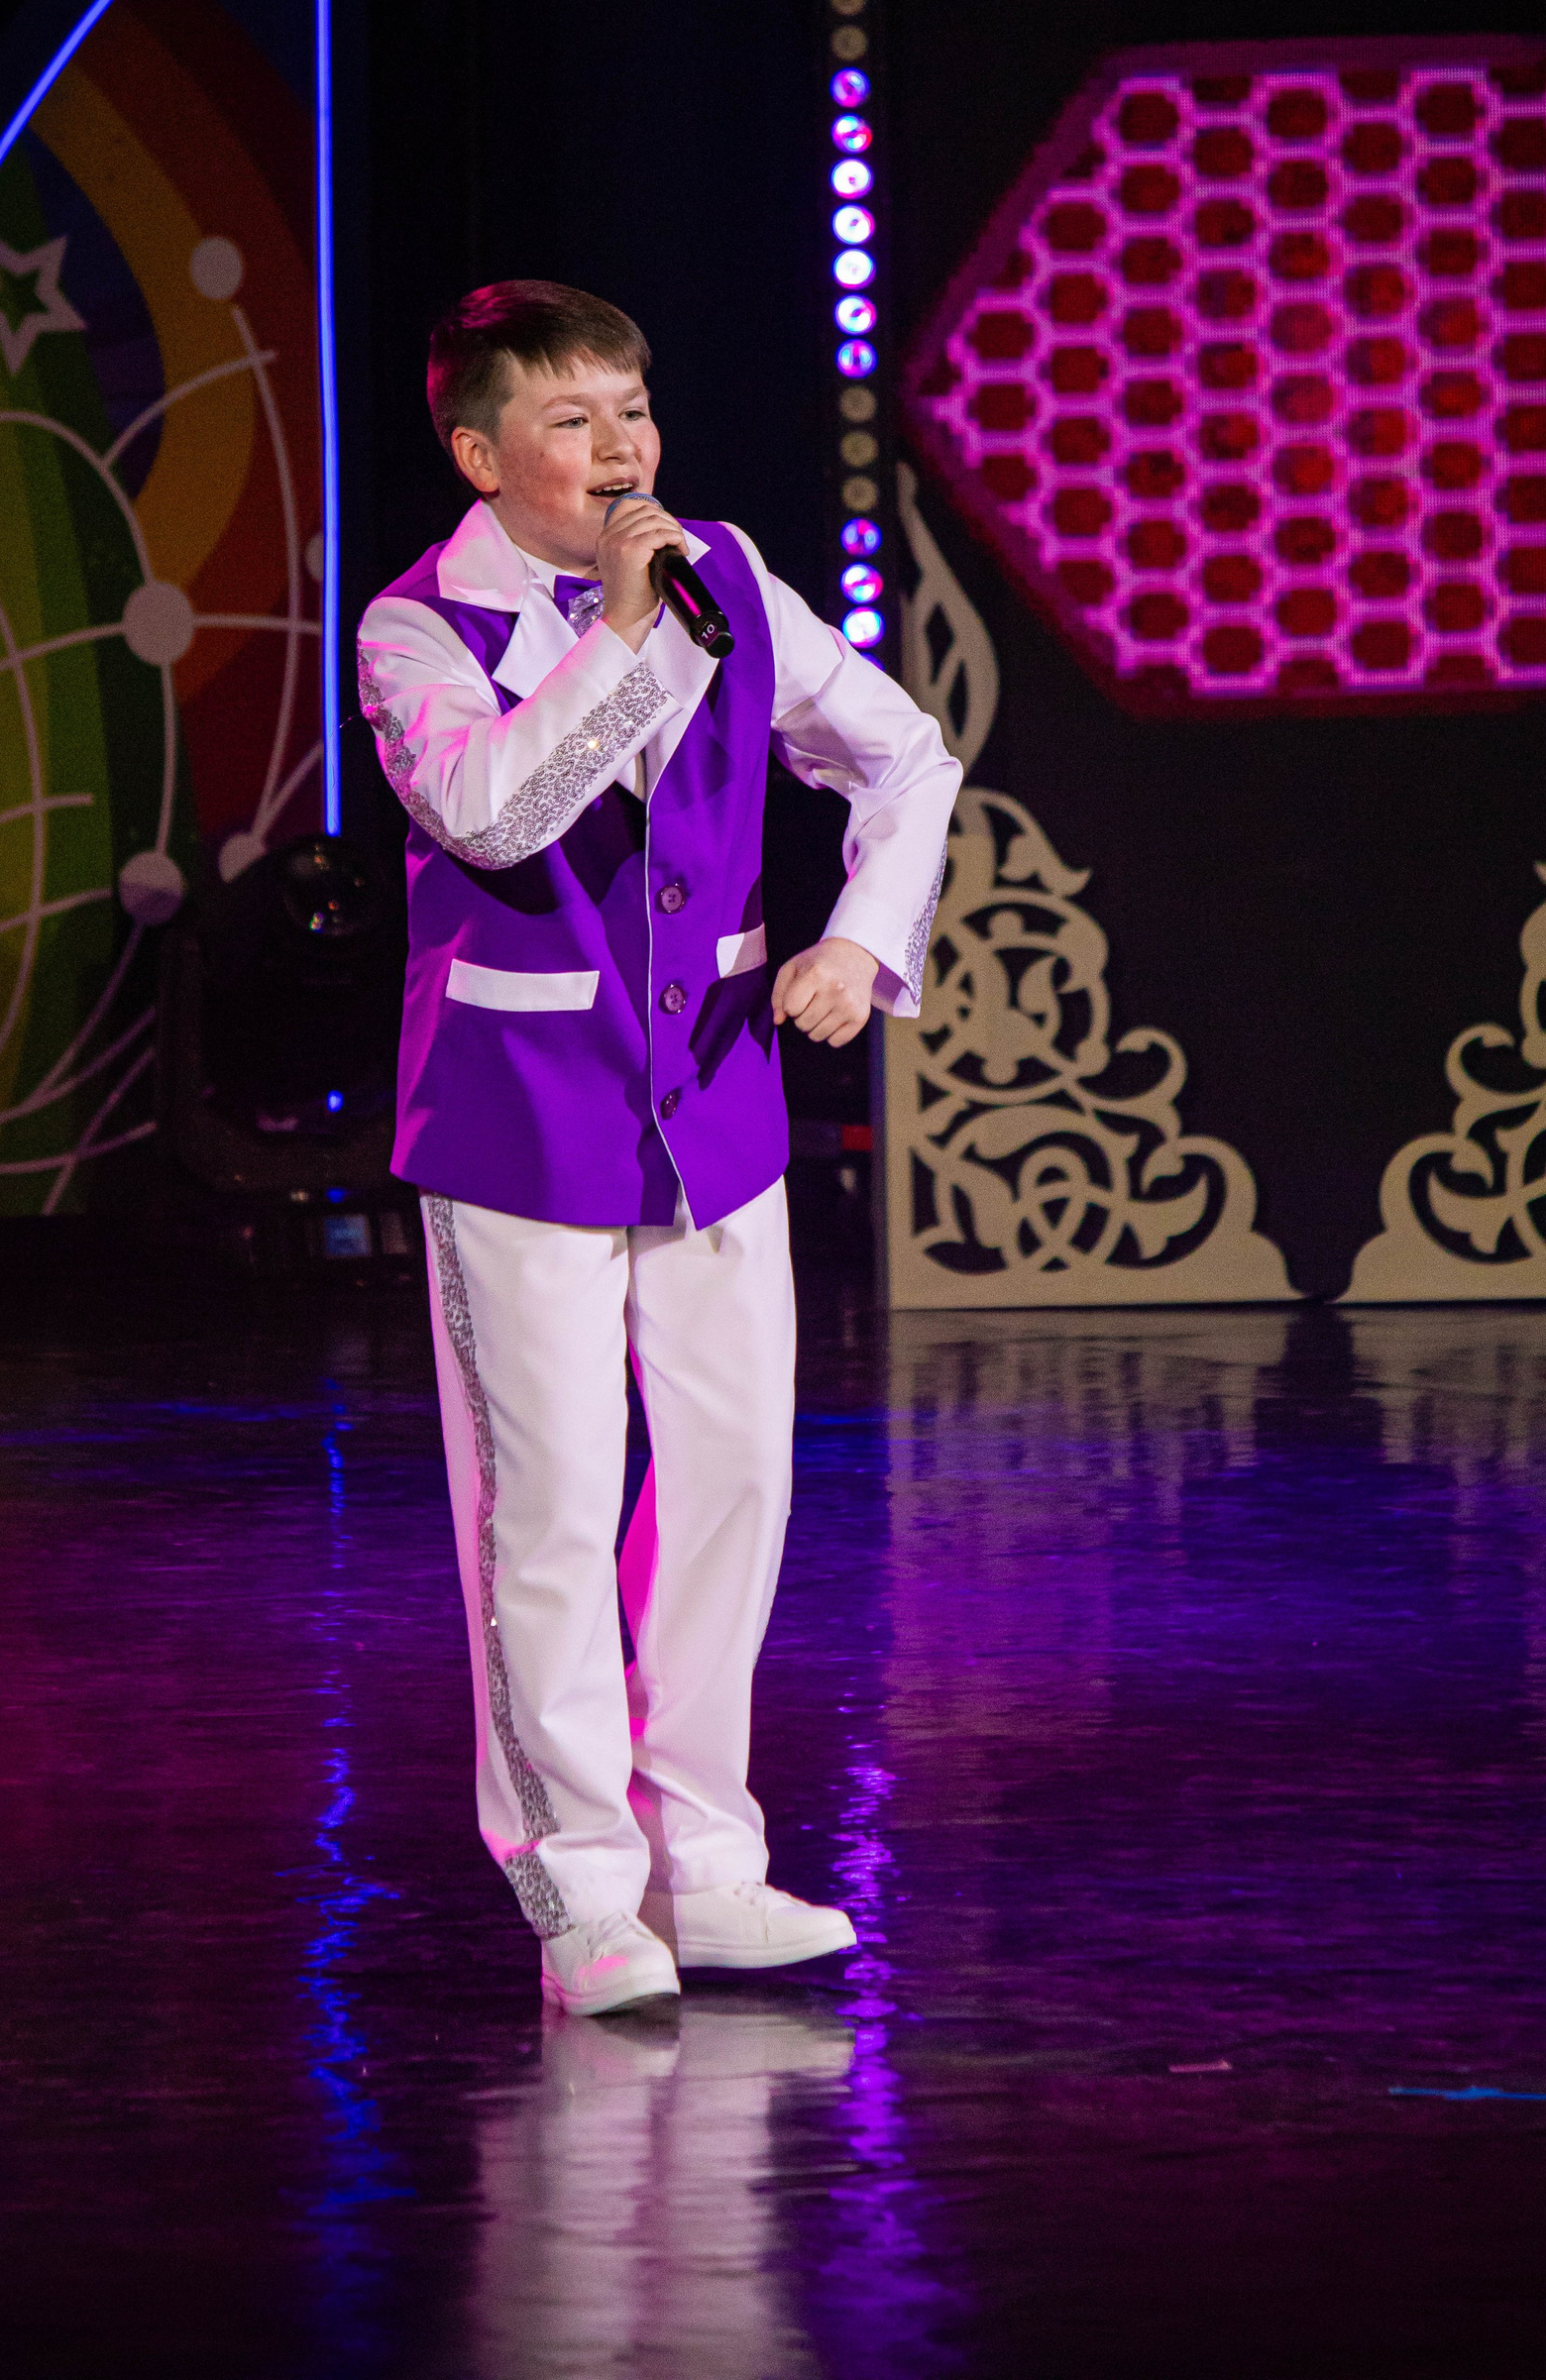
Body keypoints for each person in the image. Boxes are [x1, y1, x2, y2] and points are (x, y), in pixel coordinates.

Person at [358, 281, 959, 2015]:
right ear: (481, 455)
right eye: (574, 420)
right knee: (547, 1507)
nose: (623, 449)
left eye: (632, 408)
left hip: (716, 1100)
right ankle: (580, 1888)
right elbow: (494, 815)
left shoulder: (730, 577)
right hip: (517, 1112)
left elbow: (907, 759)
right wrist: (623, 635)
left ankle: (708, 1860)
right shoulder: (417, 630)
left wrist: (861, 940)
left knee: (727, 1487)